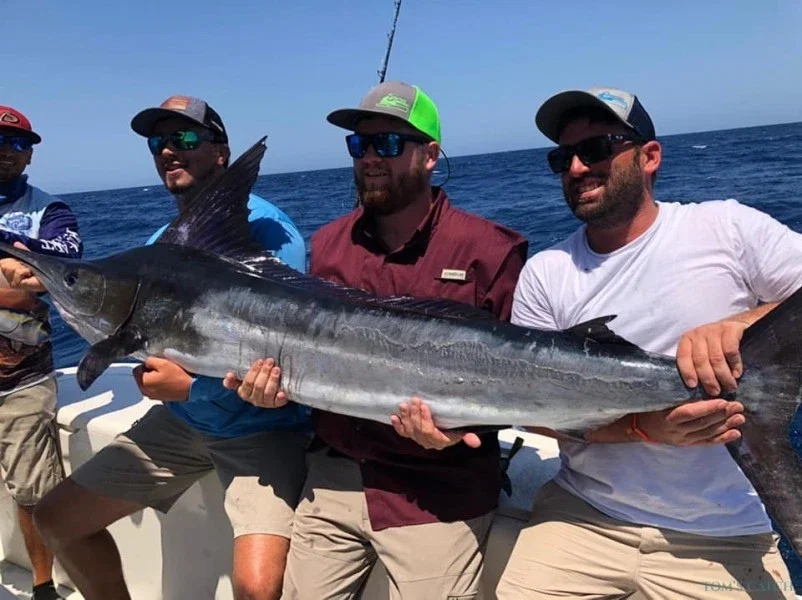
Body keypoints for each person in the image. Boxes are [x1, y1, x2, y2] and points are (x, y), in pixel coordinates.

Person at [492, 87, 802, 599]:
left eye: (595, 149)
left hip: (720, 532)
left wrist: (742, 325)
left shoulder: (726, 227)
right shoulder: (545, 273)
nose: (576, 168)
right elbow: (533, 411)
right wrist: (642, 428)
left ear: (650, 156)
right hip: (582, 516)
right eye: (562, 158)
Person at [226, 80, 529, 600]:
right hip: (336, 475)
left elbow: (524, 376)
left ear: (430, 155)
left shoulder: (488, 249)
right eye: (359, 144)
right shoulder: (328, 246)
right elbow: (305, 360)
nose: (370, 157)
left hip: (438, 486)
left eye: (387, 143)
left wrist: (459, 430)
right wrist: (273, 391)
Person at [32, 96, 311, 600]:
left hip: (261, 430)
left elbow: (287, 355)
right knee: (55, 519)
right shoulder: (162, 241)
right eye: (158, 142)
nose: (167, 151)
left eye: (184, 138)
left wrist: (193, 388)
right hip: (182, 425)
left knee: (257, 587)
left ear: (221, 152)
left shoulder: (272, 234)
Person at [0, 105, 83, 600]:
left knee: (34, 491)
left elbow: (64, 262)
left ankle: (43, 586)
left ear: (29, 154)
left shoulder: (51, 211)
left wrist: (10, 251)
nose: (6, 152)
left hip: (22, 379)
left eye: (17, 143)